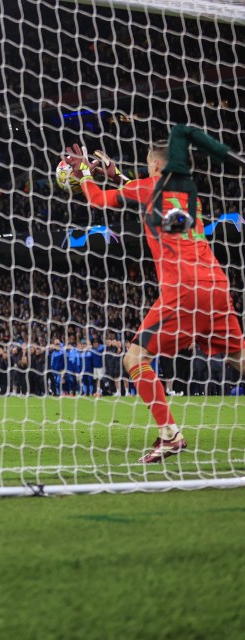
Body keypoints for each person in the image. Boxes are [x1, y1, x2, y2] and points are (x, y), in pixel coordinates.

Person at [65, 129, 245, 463]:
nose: (146, 169)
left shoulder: (148, 186)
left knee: (135, 359)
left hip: (183, 290)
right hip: (216, 284)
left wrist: (85, 176)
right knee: (240, 359)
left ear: (156, 165)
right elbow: (142, 194)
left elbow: (99, 200)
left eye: (148, 164)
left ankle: (170, 436)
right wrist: (115, 174)